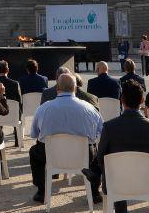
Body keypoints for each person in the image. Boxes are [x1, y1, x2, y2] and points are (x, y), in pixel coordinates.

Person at [83, 82, 149, 213]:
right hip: (148, 181)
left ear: (121, 100)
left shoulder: (110, 127)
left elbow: (101, 157)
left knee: (115, 172)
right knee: (117, 171)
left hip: (117, 183)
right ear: (142, 100)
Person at [29, 73, 103, 204]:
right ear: (75, 88)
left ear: (57, 88)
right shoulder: (90, 108)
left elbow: (34, 134)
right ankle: (95, 191)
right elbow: (101, 132)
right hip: (83, 155)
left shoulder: (43, 108)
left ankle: (41, 190)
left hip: (51, 155)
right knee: (98, 152)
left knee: (34, 152)